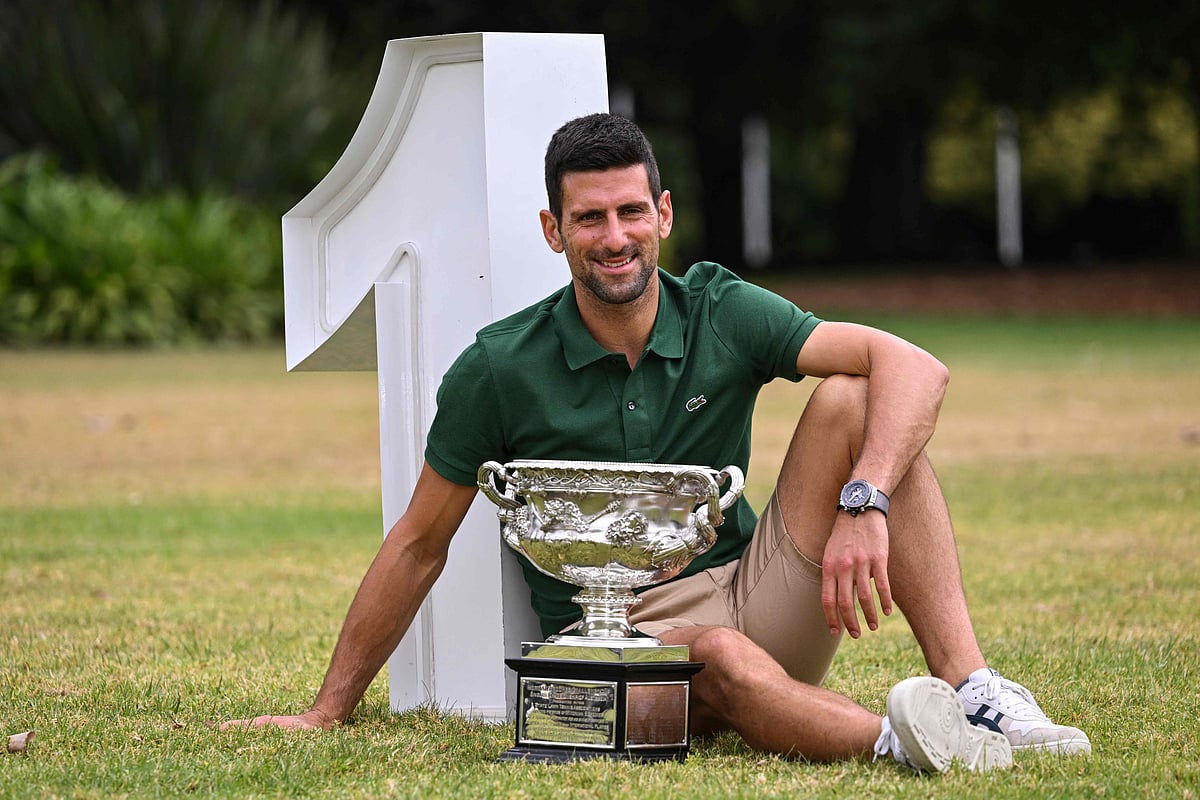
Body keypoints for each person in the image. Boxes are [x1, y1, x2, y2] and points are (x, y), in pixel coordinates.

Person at [224, 113, 1090, 772]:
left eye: (631, 211)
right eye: (589, 218)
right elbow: (419, 543)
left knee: (855, 398)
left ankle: (977, 695)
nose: (614, 237)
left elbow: (915, 367)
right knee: (714, 655)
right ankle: (907, 746)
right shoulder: (496, 368)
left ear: (663, 213)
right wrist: (328, 710)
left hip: (759, 584)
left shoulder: (718, 306)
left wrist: (864, 502)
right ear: (552, 230)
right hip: (624, 637)